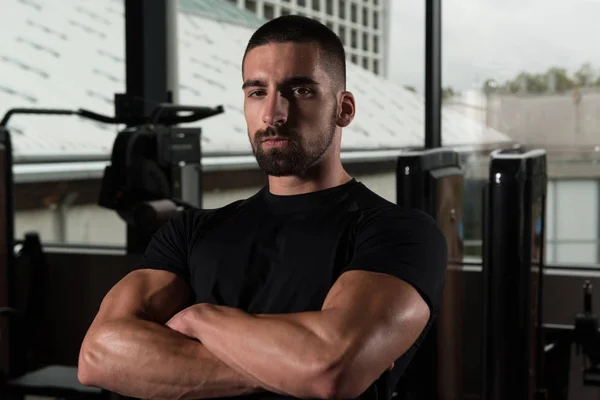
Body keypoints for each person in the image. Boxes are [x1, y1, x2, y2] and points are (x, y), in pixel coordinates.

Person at [78, 15, 447, 400]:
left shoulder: (400, 234)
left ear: (344, 109)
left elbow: (330, 369)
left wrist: (200, 317)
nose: (273, 115)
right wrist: (289, 368)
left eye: (300, 90)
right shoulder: (191, 233)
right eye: (257, 92)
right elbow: (99, 355)